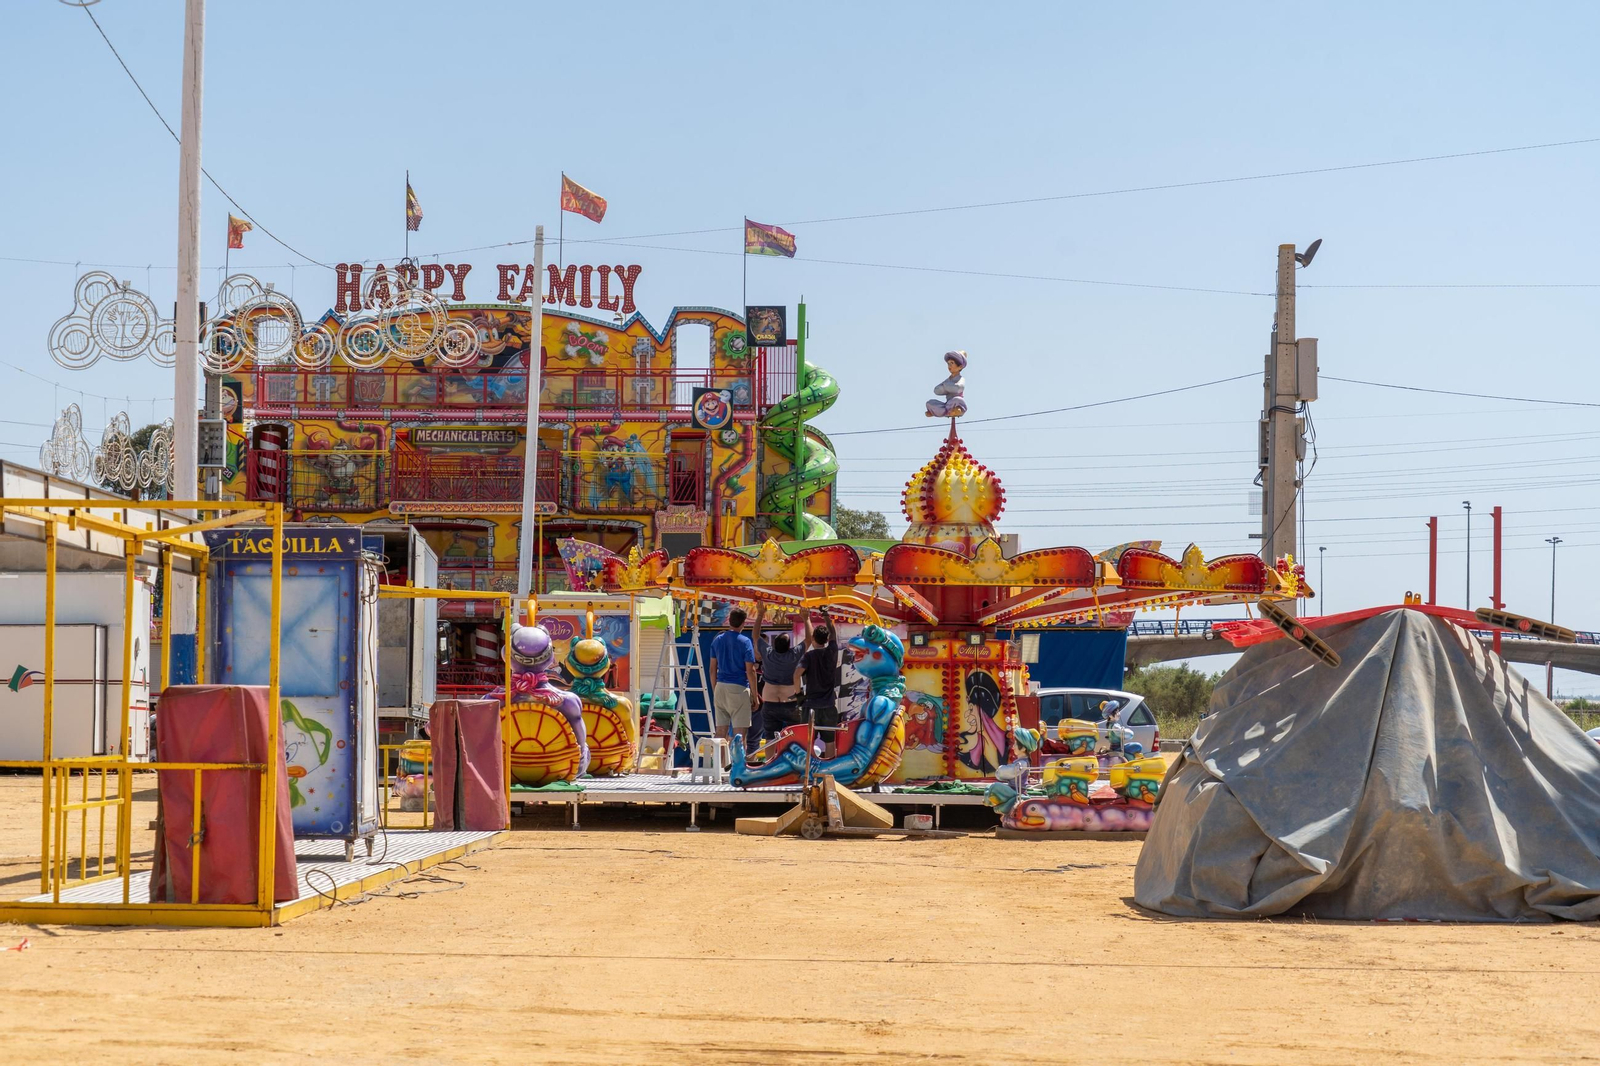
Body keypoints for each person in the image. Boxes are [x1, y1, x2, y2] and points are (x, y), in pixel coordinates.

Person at [753, 604, 805, 745]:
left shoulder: (768, 653)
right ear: (789, 646)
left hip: (770, 701)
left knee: (770, 738)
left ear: (774, 644)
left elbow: (755, 636)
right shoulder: (794, 654)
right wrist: (806, 619)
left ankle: (770, 759)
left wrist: (760, 614)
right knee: (794, 738)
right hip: (790, 702)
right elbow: (809, 639)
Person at [708, 606, 759, 745]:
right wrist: (755, 696)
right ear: (743, 623)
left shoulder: (717, 640)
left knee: (720, 732)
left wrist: (715, 689)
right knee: (739, 735)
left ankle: (718, 759)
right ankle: (737, 760)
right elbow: (750, 671)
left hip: (720, 687)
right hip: (739, 688)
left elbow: (712, 669)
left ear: (729, 621)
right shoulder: (745, 641)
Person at [800, 617, 843, 757]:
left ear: (813, 638)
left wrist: (798, 695)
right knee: (830, 741)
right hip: (828, 704)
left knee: (808, 741)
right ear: (827, 640)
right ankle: (829, 766)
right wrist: (826, 616)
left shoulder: (809, 656)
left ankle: (809, 766)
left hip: (810, 705)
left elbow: (796, 674)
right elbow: (833, 633)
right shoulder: (832, 652)